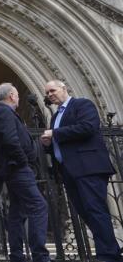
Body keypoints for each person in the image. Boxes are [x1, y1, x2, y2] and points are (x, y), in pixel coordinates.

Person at [40, 80, 121, 262]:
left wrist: (55, 134)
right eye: (46, 93)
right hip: (70, 171)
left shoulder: (82, 104)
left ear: (64, 88)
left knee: (95, 211)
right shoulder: (55, 117)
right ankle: (111, 252)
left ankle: (108, 256)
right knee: (87, 213)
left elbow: (88, 127)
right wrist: (48, 145)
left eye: (52, 90)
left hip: (88, 167)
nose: (50, 95)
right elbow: (62, 141)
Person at [0, 83, 49, 262]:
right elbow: (10, 140)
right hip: (17, 169)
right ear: (12, 96)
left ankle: (16, 255)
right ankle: (40, 256)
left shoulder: (0, 112)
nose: (19, 98)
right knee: (39, 206)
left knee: (17, 212)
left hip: (13, 169)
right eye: (17, 95)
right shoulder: (3, 112)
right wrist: (23, 162)